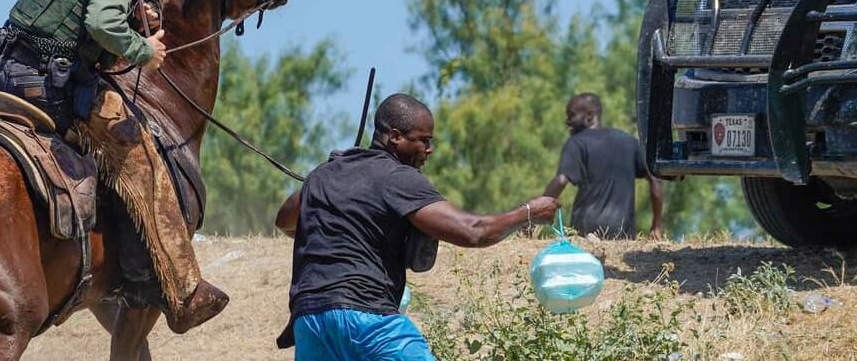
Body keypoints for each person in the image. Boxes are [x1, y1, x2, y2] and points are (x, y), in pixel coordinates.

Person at [0, 0, 226, 334]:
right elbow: (101, 23)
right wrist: (143, 50)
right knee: (144, 157)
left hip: (4, 76)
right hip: (52, 88)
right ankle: (185, 290)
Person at [274, 93, 559, 360]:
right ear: (395, 137)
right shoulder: (398, 177)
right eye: (423, 140)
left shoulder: (323, 174)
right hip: (367, 318)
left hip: (309, 321)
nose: (429, 149)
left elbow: (285, 220)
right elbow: (473, 231)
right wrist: (529, 212)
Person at [542, 92, 665, 240]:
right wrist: (657, 224)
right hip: (622, 233)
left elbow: (561, 180)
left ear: (589, 116)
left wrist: (535, 213)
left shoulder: (577, 142)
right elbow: (655, 179)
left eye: (571, 115)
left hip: (585, 229)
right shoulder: (629, 142)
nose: (567, 122)